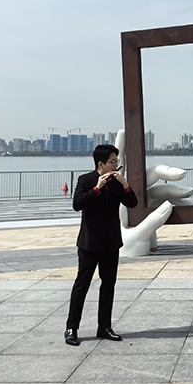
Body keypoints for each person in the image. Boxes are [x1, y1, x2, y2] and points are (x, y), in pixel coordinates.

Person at [65, 144, 137, 346]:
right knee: (82, 285)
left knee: (108, 285)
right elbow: (77, 204)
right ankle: (71, 328)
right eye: (113, 161)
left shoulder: (117, 182)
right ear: (101, 164)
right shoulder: (85, 180)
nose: (116, 164)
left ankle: (104, 327)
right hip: (89, 242)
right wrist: (97, 188)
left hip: (111, 242)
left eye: (116, 161)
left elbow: (132, 203)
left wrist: (125, 184)